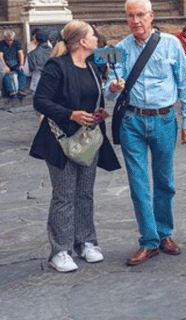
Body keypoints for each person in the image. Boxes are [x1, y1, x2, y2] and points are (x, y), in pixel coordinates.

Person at [106, 0, 186, 266]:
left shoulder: (171, 44)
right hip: (132, 121)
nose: (135, 21)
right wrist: (112, 88)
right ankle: (149, 240)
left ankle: (164, 233)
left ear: (151, 16)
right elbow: (110, 85)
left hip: (164, 119)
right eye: (130, 16)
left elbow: (185, 83)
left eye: (140, 15)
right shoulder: (120, 48)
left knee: (164, 180)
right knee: (138, 183)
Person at [30, 20, 120, 272]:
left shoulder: (91, 66)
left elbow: (93, 97)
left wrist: (109, 90)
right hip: (60, 140)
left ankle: (85, 242)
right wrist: (70, 114)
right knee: (64, 195)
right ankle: (60, 250)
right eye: (93, 35)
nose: (97, 38)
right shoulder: (56, 66)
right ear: (81, 41)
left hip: (87, 140)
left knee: (85, 193)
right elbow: (40, 101)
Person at [0, 29, 27, 97]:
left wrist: (21, 64)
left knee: (22, 72)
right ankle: (10, 91)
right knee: (4, 74)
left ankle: (21, 90)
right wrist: (4, 65)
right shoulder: (1, 43)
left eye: (11, 40)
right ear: (4, 38)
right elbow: (1, 55)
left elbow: (21, 53)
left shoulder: (17, 42)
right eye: (8, 40)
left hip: (15, 63)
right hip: (6, 62)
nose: (10, 42)